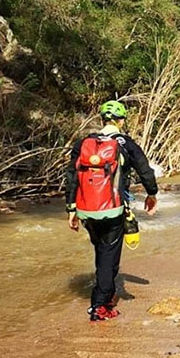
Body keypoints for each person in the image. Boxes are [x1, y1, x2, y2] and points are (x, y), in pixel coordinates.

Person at [66, 100, 158, 322]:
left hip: (87, 209)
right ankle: (100, 304)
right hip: (113, 208)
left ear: (102, 119)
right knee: (109, 254)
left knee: (101, 250)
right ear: (121, 120)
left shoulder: (83, 143)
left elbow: (71, 177)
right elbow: (145, 170)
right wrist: (152, 193)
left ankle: (105, 290)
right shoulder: (126, 143)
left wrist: (71, 208)